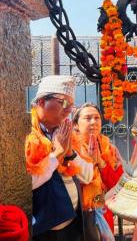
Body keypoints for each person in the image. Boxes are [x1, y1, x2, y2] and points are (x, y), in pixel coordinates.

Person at [25, 75, 94, 241]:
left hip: (74, 225)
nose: (69, 110)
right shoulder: (24, 132)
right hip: (45, 231)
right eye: (63, 102)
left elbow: (88, 176)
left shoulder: (67, 131)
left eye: (72, 105)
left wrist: (70, 154)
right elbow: (27, 182)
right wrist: (56, 155)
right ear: (42, 101)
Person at [72, 103, 124, 241]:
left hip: (103, 210)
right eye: (88, 118)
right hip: (77, 214)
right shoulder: (70, 149)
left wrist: (100, 162)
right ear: (76, 125)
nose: (93, 122)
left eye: (97, 118)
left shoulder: (110, 148)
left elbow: (118, 184)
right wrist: (88, 163)